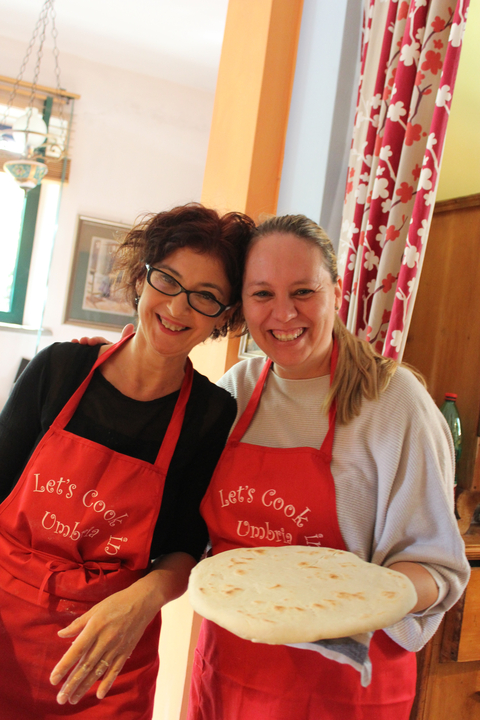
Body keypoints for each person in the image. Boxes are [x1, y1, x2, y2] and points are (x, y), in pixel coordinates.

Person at [185, 214, 470, 719]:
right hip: (231, 669)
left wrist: (367, 596)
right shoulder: (238, 387)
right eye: (261, 294)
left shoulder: (392, 400)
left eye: (303, 291)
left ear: (336, 292)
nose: (283, 313)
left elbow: (438, 566)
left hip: (340, 689)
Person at [0, 203, 255, 719]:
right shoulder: (61, 368)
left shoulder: (211, 413)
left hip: (106, 660)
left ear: (224, 317)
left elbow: (187, 544)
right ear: (142, 279)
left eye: (206, 296)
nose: (178, 308)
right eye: (168, 280)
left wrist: (146, 599)